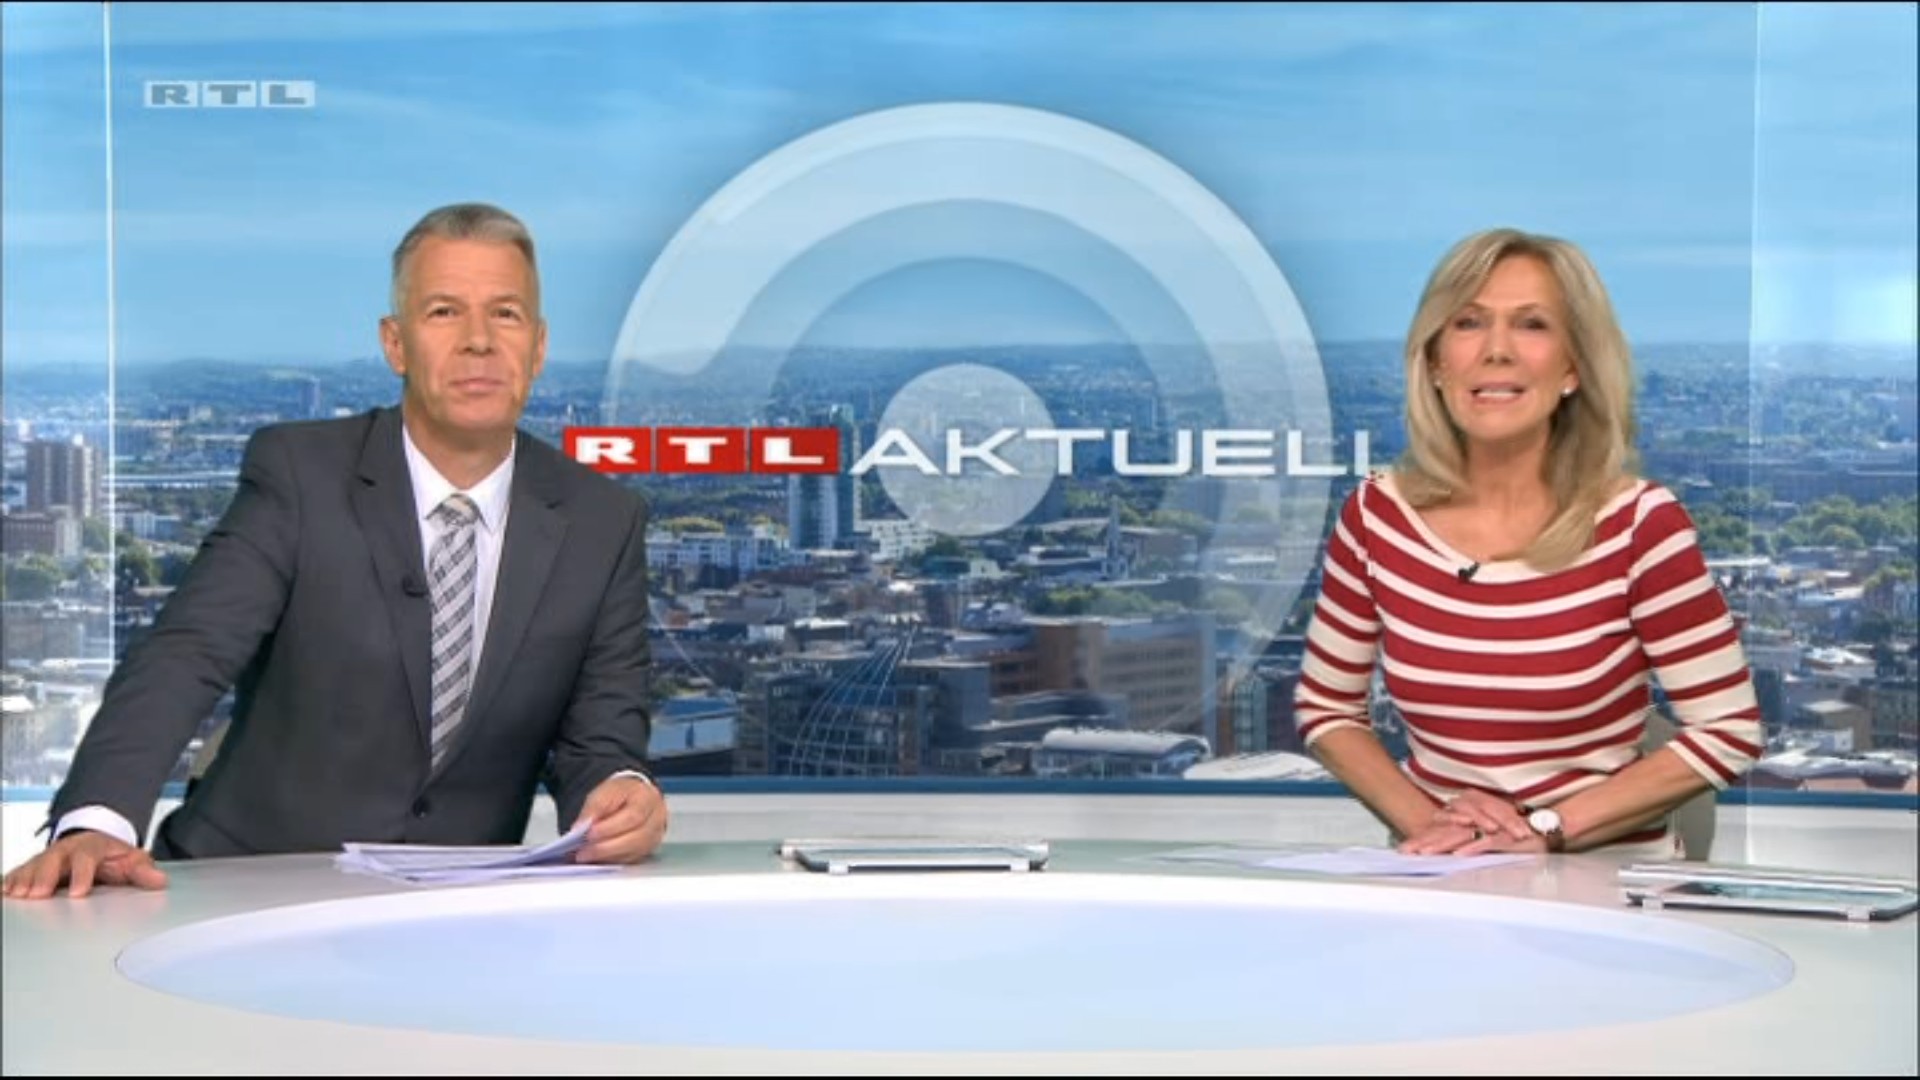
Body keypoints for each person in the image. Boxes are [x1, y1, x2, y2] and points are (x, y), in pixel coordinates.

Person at [4, 203, 667, 899]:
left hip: (455, 912)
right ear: (395, 344)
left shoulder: (603, 521)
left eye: (505, 314)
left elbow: (601, 738)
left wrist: (624, 793)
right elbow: (186, 653)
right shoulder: (301, 474)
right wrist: (98, 819)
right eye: (444, 312)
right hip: (242, 892)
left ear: (537, 346)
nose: (478, 341)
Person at [1294, 227, 1763, 860]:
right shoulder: (1376, 517)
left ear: (1573, 367)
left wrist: (1544, 829)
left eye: (1532, 325)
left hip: (1605, 879)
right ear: (1435, 361)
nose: (1497, 351)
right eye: (1468, 323)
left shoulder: (1638, 525)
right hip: (1440, 874)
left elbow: (1729, 730)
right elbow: (1327, 710)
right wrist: (1436, 829)